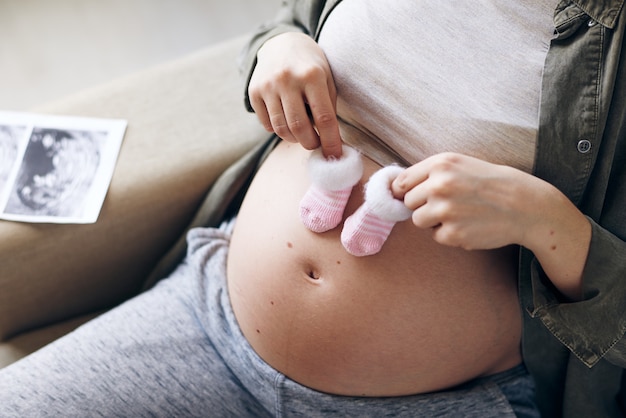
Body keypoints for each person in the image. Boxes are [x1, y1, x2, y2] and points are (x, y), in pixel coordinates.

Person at [0, 1, 623, 417]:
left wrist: (546, 223)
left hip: (441, 399)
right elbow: (289, 21)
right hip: (210, 323)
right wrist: (277, 49)